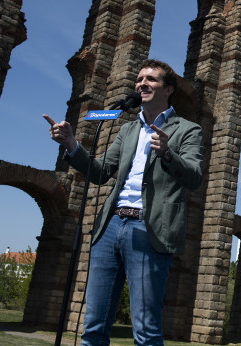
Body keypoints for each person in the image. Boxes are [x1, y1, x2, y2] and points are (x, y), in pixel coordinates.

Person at [43, 59, 204, 345]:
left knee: (146, 328)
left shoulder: (187, 130)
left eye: (151, 79)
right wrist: (71, 145)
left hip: (149, 229)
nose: (142, 83)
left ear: (168, 90)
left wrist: (168, 154)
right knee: (92, 324)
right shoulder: (128, 130)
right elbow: (101, 172)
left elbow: (193, 177)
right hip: (110, 226)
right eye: (139, 79)